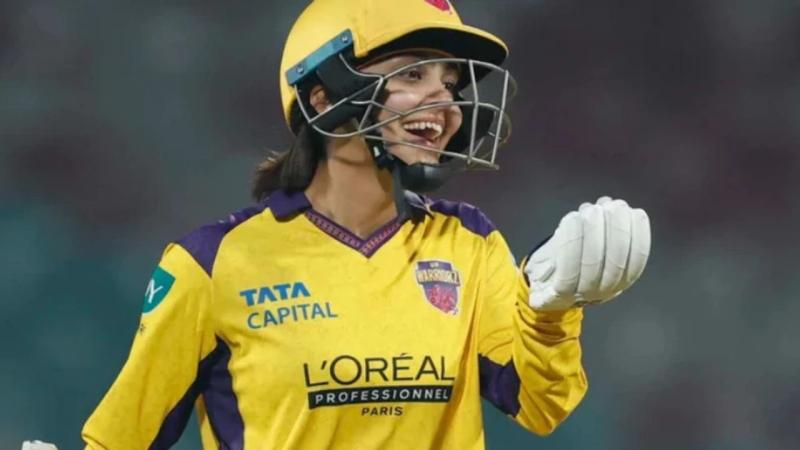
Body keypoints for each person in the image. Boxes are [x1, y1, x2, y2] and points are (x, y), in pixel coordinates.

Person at [82, 0, 651, 449]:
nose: (444, 103)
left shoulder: (469, 244)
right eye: (413, 75)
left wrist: (550, 315)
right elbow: (123, 438)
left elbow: (541, 406)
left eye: (450, 83)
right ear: (322, 97)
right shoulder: (212, 264)